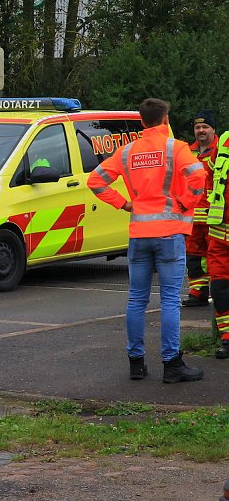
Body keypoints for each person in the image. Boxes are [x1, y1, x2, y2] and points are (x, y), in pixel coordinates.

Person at [87, 98, 206, 383]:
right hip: (169, 234)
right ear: (165, 119)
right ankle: (171, 364)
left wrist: (124, 204)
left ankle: (136, 363)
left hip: (139, 235)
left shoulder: (127, 151)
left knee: (137, 299)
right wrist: (184, 203)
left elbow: (96, 180)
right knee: (169, 301)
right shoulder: (175, 148)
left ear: (142, 122)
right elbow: (198, 176)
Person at [182, 110, 217, 307]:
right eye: (197, 127)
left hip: (216, 217)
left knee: (215, 257)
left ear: (213, 129)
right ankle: (198, 293)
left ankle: (220, 292)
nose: (201, 130)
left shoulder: (221, 150)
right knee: (194, 256)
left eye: (205, 127)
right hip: (193, 217)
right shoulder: (188, 151)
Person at [205, 116, 229, 359]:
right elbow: (210, 180)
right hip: (219, 233)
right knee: (220, 289)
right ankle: (227, 339)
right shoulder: (224, 141)